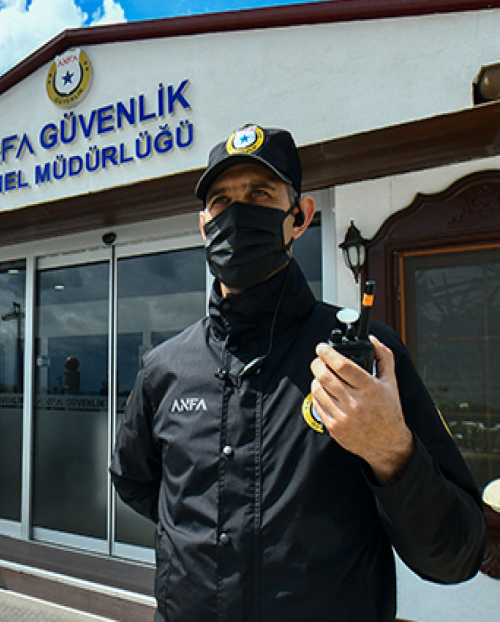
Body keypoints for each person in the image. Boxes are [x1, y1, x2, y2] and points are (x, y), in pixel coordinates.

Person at [110, 125, 486, 621]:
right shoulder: (165, 367)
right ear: (204, 224)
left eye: (260, 194)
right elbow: (133, 479)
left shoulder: (365, 359)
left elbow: (456, 554)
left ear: (299, 218)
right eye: (221, 201)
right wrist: (198, 528)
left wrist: (391, 451)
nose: (238, 212)